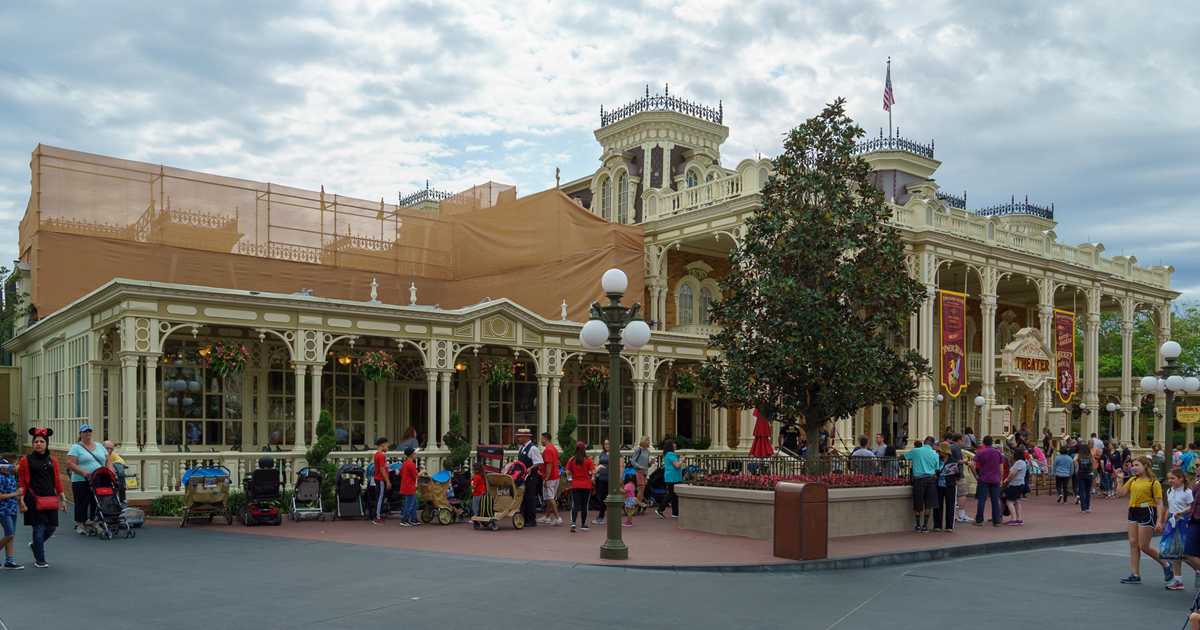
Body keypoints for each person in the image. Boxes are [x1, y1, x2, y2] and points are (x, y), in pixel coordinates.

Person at [1114, 456, 1173, 585]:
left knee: (1144, 546)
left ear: (1145, 466)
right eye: (1133, 465)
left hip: (1147, 511)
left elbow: (1159, 503)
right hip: (1133, 511)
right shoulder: (1132, 480)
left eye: (1136, 465)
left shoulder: (1153, 482)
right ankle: (1135, 574)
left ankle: (1166, 564)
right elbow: (1121, 493)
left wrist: (1160, 521)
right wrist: (1119, 480)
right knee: (1133, 543)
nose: (1133, 468)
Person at [17, 428, 65, 569]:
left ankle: (35, 545)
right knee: (38, 529)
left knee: (51, 527)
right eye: (36, 441)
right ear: (33, 444)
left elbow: (56, 480)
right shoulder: (26, 460)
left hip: (50, 498)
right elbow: (21, 482)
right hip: (33, 498)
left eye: (41, 441)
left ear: (46, 444)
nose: (38, 444)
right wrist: (21, 500)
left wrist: (62, 497)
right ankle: (40, 559)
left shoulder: (53, 461)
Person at [65, 424, 109, 534]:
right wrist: (83, 472)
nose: (88, 433)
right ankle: (80, 524)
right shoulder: (76, 447)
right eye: (85, 432)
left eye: (89, 431)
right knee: (82, 502)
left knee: (96, 501)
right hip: (81, 479)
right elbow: (70, 464)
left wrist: (110, 471)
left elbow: (108, 460)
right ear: (80, 434)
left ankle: (93, 521)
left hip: (98, 478)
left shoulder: (99, 446)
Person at [1164, 468, 1194, 591]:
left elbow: (1192, 507)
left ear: (1181, 479)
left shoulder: (1187, 492)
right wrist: (1164, 520)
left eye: (1173, 478)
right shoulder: (1169, 491)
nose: (1170, 481)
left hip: (1183, 522)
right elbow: (1169, 507)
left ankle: (1197, 570)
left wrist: (1181, 512)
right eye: (1169, 478)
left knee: (1185, 553)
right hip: (1172, 522)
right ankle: (1178, 581)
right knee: (1174, 553)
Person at [904, 437, 940, 533]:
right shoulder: (935, 454)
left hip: (919, 480)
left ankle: (918, 525)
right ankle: (925, 525)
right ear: (932, 444)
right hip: (931, 480)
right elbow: (937, 468)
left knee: (918, 503)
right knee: (928, 504)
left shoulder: (916, 451)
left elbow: (904, 457)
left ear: (924, 442)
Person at [972, 435, 1004, 527]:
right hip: (995, 479)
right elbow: (1001, 468)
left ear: (984, 443)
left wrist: (976, 475)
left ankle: (979, 520)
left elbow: (972, 464)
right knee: (995, 500)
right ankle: (997, 520)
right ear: (991, 442)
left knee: (982, 499)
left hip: (984, 478)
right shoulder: (998, 453)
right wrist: (1000, 478)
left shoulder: (980, 452)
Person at [515, 428, 543, 528]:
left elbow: (539, 461)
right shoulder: (521, 448)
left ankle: (531, 520)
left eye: (520, 436)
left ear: (527, 437)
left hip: (531, 477)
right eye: (518, 436)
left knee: (530, 497)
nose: (518, 438)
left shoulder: (533, 448)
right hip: (522, 477)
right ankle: (524, 518)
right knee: (523, 497)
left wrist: (530, 468)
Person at [565, 442, 594, 532]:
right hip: (586, 485)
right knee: (585, 505)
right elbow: (592, 472)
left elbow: (567, 472)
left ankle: (573, 522)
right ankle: (583, 524)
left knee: (575, 505)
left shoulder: (572, 460)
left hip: (576, 484)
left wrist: (570, 480)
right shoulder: (588, 460)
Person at [0, 458, 22, 569]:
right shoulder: (0, 478)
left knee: (11, 536)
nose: (4, 468)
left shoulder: (12, 477)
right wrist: (15, 494)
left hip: (12, 509)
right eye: (1, 466)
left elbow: (15, 493)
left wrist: (21, 502)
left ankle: (9, 561)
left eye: (6, 466)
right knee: (9, 534)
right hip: (3, 510)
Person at [931, 444, 957, 533]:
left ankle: (949, 526)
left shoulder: (952, 460)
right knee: (938, 506)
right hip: (939, 485)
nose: (938, 453)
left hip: (949, 485)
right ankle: (937, 525)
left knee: (950, 505)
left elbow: (956, 474)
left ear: (944, 451)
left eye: (940, 451)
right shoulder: (938, 460)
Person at [539, 432, 562, 526]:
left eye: (541, 439)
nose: (540, 440)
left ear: (545, 438)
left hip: (550, 477)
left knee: (550, 498)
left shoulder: (548, 450)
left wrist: (546, 478)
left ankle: (557, 518)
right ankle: (547, 516)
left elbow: (549, 464)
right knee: (550, 497)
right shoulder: (553, 448)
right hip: (555, 476)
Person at [658, 439, 684, 519]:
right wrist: (681, 460)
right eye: (674, 444)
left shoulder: (667, 454)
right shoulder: (671, 454)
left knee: (674, 496)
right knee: (671, 494)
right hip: (673, 477)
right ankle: (660, 509)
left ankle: (675, 513)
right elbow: (677, 465)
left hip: (671, 477)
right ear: (671, 446)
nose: (675, 445)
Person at [1004, 447, 1028, 526]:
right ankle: (1019, 519)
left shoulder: (1019, 462)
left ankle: (1013, 519)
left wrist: (1007, 480)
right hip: (1020, 483)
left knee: (1009, 501)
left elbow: (1013, 473)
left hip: (1015, 484)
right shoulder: (1023, 462)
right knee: (1017, 501)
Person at [370, 437, 390, 524]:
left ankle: (377, 515)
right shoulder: (381, 455)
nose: (387, 448)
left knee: (379, 497)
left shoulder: (377, 454)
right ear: (383, 445)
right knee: (380, 498)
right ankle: (377, 517)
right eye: (387, 446)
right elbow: (382, 469)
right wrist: (388, 481)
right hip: (381, 479)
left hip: (378, 479)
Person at [398, 447, 419, 526]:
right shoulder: (411, 464)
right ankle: (404, 520)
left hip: (405, 486)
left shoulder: (405, 463)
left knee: (412, 503)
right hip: (410, 486)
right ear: (411, 454)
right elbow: (415, 476)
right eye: (414, 453)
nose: (415, 455)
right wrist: (422, 471)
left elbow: (400, 473)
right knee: (410, 504)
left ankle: (414, 519)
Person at [593, 438, 610, 525]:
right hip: (601, 478)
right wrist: (595, 474)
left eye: (608, 444)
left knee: (608, 498)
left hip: (610, 479)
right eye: (605, 444)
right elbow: (597, 464)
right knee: (601, 497)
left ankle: (602, 516)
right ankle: (601, 515)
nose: (607, 445)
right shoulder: (602, 453)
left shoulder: (615, 454)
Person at [1074, 441, 1094, 514]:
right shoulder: (1090, 455)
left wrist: (1077, 469)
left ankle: (1083, 508)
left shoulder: (1079, 456)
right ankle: (1088, 507)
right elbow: (1093, 463)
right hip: (1089, 474)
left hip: (1081, 474)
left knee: (1082, 491)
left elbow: (1074, 461)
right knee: (1088, 491)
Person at [631, 437, 651, 506]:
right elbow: (632, 461)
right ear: (643, 441)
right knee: (641, 489)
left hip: (645, 472)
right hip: (638, 472)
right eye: (647, 440)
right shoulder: (638, 450)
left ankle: (637, 505)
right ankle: (636, 505)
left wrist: (650, 463)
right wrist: (640, 467)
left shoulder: (648, 451)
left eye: (649, 440)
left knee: (643, 490)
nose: (649, 442)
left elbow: (647, 464)